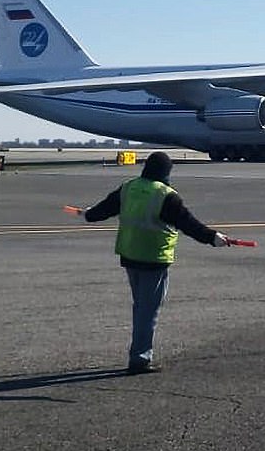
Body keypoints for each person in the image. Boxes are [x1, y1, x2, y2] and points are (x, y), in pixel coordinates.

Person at [83, 151, 230, 374]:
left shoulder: (129, 187)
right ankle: (140, 358)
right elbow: (188, 224)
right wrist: (212, 238)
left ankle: (139, 352)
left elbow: (104, 209)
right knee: (148, 310)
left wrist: (89, 214)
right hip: (154, 258)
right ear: (166, 172)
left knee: (141, 306)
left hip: (130, 255)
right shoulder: (166, 195)